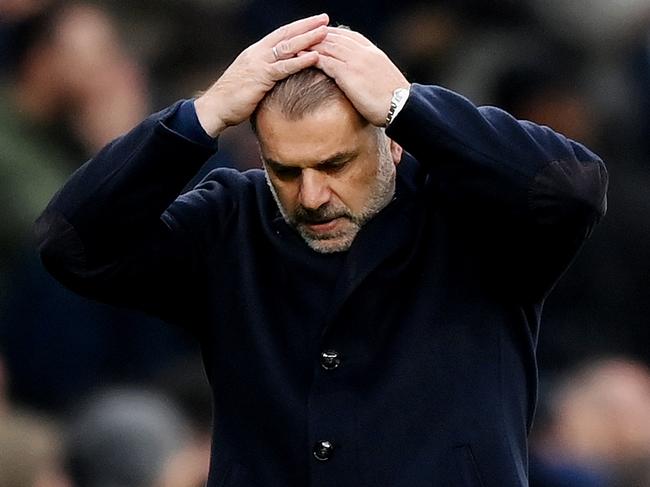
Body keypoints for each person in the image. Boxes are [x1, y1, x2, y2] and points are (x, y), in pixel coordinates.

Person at [36, 13, 608, 487]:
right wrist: (201, 115)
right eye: (285, 170)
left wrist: (411, 106)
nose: (311, 196)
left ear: (393, 143)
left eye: (336, 164)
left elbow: (570, 187)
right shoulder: (233, 217)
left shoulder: (471, 215)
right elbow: (73, 242)